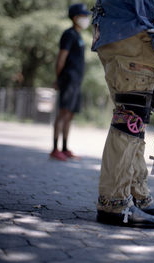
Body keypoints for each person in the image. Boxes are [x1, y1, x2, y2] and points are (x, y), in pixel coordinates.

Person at [91, 0, 154, 228]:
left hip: (124, 30)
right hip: (136, 33)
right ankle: (114, 204)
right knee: (130, 118)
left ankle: (137, 195)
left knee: (134, 122)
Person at [50, 3, 91, 161]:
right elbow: (61, 59)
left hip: (76, 81)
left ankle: (65, 148)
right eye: (83, 16)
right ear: (75, 18)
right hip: (68, 79)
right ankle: (55, 148)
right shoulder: (68, 34)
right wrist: (58, 78)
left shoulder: (78, 36)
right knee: (63, 113)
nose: (86, 19)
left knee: (70, 114)